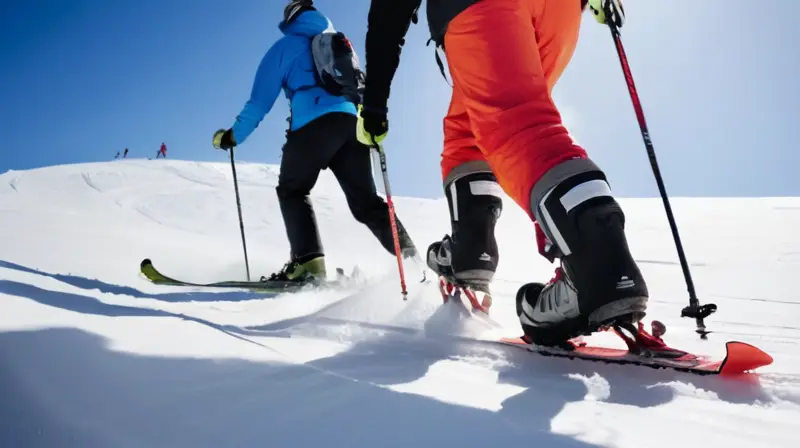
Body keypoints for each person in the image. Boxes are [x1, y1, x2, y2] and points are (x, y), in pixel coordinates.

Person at [356, 0, 648, 346]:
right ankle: (471, 248)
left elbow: (390, 12)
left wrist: (374, 101)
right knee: (471, 128)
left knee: (518, 122)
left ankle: (601, 269)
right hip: (561, 12)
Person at [212, 0, 418, 284]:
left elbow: (259, 103)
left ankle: (308, 263)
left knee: (293, 190)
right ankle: (414, 262)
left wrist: (234, 135)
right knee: (367, 204)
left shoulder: (285, 47)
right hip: (352, 126)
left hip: (313, 127)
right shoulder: (340, 43)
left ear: (290, 19)